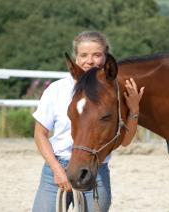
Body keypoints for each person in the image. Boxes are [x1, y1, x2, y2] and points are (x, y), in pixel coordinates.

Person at [32, 31, 144, 212]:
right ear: (76, 58)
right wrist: (57, 169)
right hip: (57, 167)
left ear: (106, 58)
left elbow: (125, 141)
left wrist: (134, 109)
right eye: (83, 55)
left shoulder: (113, 92)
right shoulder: (57, 90)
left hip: (95, 168)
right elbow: (40, 134)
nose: (89, 61)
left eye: (97, 55)